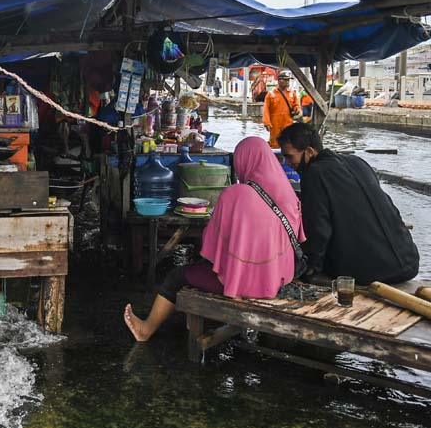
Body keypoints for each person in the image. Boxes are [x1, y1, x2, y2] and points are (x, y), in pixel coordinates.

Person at [124, 137, 304, 341]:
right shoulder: (287, 193)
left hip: (247, 287)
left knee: (177, 277)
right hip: (280, 279)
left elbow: (212, 245)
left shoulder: (236, 194)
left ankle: (145, 330)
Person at [278, 123, 419, 284]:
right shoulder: (358, 162)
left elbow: (318, 228)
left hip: (374, 272)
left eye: (289, 156)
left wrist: (310, 269)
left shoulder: (314, 172)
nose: (287, 163)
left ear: (309, 151)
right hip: (409, 261)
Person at [262, 72, 300, 149]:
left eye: (288, 80)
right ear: (279, 80)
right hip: (275, 123)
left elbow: (296, 105)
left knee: (288, 142)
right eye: (285, 80)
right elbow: (266, 109)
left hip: (288, 123)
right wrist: (267, 123)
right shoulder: (270, 94)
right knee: (275, 143)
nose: (287, 82)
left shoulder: (292, 93)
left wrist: (297, 109)